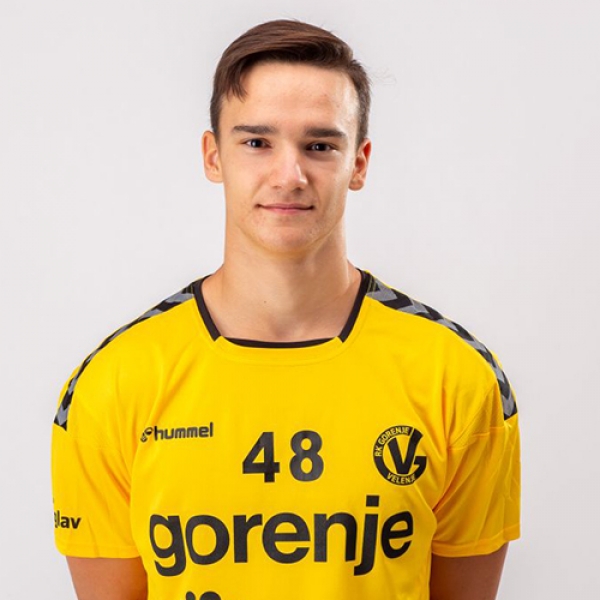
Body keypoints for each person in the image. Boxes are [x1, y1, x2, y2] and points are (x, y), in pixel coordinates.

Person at [52, 19, 520, 600]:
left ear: (359, 163)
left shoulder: (458, 376)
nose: (289, 175)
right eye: (257, 142)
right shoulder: (112, 384)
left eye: (320, 146)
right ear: (214, 156)